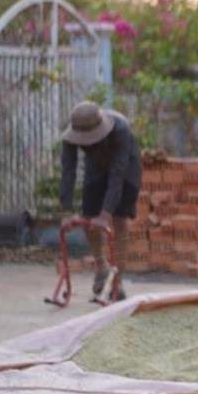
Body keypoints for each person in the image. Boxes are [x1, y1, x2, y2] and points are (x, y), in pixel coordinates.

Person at [59, 101, 142, 299]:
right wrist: (67, 212)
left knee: (119, 220)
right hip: (96, 167)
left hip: (126, 167)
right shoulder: (71, 134)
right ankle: (102, 267)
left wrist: (106, 213)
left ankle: (117, 280)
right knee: (89, 217)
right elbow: (68, 172)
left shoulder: (120, 130)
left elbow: (118, 173)